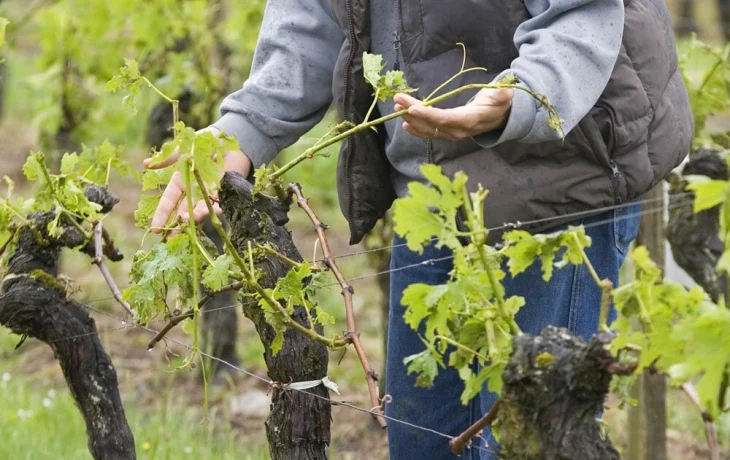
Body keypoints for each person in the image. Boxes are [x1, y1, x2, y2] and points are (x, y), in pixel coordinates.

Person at [145, 0, 693, 458]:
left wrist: (523, 97)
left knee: (533, 437)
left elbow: (582, 12)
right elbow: (312, 14)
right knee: (424, 442)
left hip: (560, 169)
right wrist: (244, 129)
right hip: (430, 182)